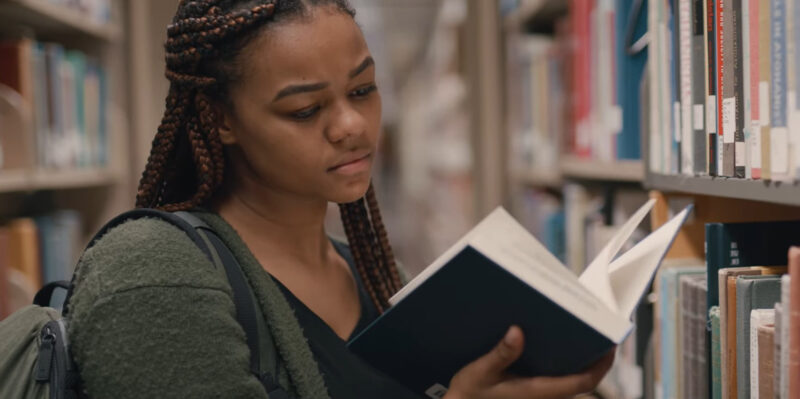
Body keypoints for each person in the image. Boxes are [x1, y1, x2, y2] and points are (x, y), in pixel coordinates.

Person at [67, 1, 615, 398]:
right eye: (305, 110)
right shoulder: (148, 274)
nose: (352, 126)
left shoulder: (378, 274)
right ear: (221, 120)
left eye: (362, 90)